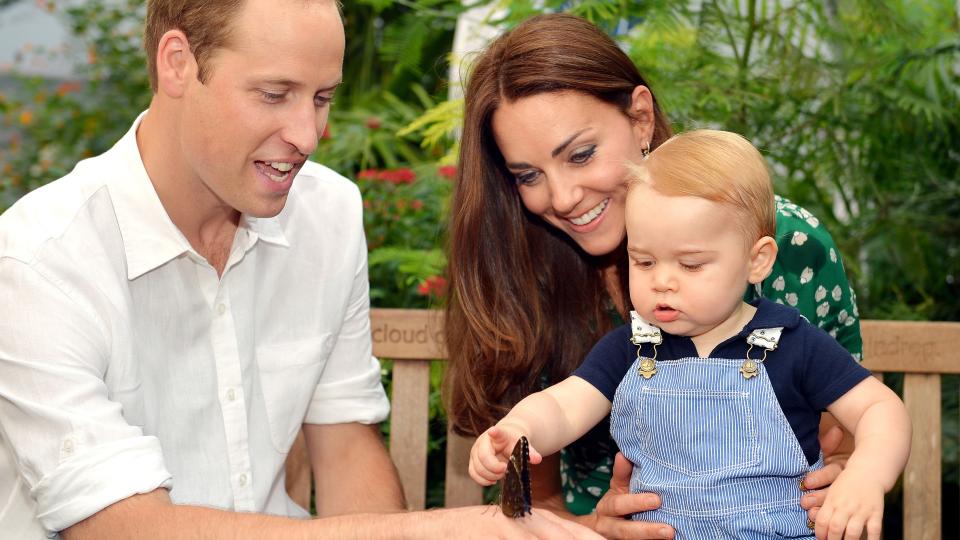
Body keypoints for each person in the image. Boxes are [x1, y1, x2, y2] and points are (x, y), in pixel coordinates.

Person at [0, 1, 601, 539]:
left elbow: (343, 445)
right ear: (177, 63)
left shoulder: (327, 213)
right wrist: (438, 531)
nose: (309, 134)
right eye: (274, 93)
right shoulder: (39, 260)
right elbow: (122, 527)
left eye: (321, 97)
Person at [444, 12, 865, 539]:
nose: (561, 197)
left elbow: (846, 437)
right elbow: (533, 488)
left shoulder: (786, 245)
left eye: (580, 154)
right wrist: (591, 528)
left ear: (640, 118)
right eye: (528, 175)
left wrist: (848, 477)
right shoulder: (525, 268)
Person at [468, 129, 911, 539]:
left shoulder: (792, 342)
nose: (662, 281)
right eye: (642, 261)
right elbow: (563, 409)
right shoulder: (632, 348)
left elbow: (879, 408)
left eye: (691, 264)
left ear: (757, 260)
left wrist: (866, 475)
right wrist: (520, 429)